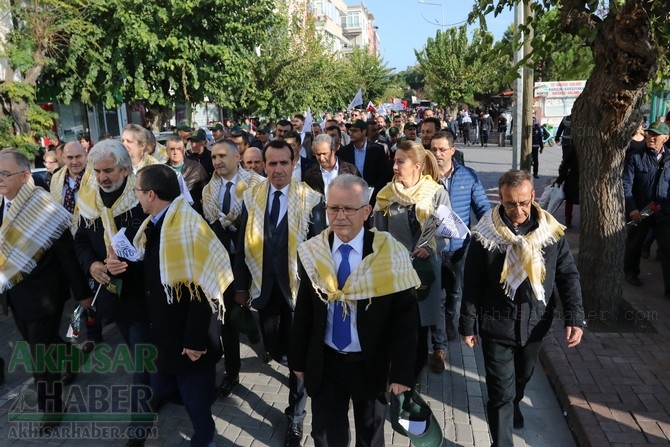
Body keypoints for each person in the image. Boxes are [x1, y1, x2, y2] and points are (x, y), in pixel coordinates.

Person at [290, 174, 419, 447]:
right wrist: (298, 361)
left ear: (366, 212)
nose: (339, 216)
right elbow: (304, 310)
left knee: (370, 440)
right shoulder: (314, 252)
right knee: (324, 438)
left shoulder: (389, 254)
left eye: (348, 209)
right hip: (326, 364)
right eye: (333, 208)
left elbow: (405, 321)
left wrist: (402, 375)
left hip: (371, 365)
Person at [460, 169, 584, 447]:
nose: (517, 210)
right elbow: (472, 283)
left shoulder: (550, 232)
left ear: (533, 196)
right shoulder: (485, 234)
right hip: (496, 323)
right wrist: (467, 324)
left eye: (523, 202)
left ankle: (515, 400)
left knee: (521, 377)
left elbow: (567, 274)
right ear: (500, 201)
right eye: (510, 203)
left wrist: (574, 317)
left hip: (535, 323)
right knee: (500, 391)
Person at [233, 139, 326, 447]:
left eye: (283, 163)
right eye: (270, 164)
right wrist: (242, 287)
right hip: (265, 290)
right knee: (275, 348)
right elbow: (243, 247)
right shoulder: (252, 198)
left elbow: (321, 251)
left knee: (297, 357)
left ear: (293, 163)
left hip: (299, 293)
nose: (277, 169)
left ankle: (296, 417)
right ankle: (292, 365)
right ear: (263, 166)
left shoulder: (310, 200)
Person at [133, 164, 233, 447]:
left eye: (138, 191)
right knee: (164, 387)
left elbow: (203, 289)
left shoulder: (187, 225)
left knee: (195, 401)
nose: (136, 197)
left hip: (189, 337)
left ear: (151, 194)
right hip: (165, 331)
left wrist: (194, 340)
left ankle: (205, 439)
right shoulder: (157, 223)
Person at [0, 148, 91, 432]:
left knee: (40, 357)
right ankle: (72, 357)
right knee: (44, 342)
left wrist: (82, 293)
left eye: (5, 174)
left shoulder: (45, 208)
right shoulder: (3, 205)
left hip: (45, 298)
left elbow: (67, 255)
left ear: (25, 175)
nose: (0, 179)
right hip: (14, 295)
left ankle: (51, 408)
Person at [73, 140, 152, 446]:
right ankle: (160, 389)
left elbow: (157, 246)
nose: (103, 177)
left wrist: (130, 263)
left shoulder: (141, 197)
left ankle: (139, 427)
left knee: (141, 362)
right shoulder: (89, 197)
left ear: (125, 169)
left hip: (141, 295)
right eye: (98, 171)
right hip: (111, 297)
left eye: (109, 170)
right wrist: (92, 265)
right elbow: (80, 240)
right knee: (139, 357)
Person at [372, 140, 451, 376]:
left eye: (400, 162)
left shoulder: (436, 193)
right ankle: (401, 375)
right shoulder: (386, 195)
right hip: (395, 272)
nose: (394, 167)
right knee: (399, 327)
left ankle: (420, 369)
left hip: (426, 270)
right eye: (394, 161)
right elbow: (376, 233)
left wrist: (430, 247)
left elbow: (447, 231)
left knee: (422, 324)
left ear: (417, 165)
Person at [201, 139, 264, 397]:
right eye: (214, 157)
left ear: (237, 157)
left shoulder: (257, 185)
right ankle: (232, 371)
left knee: (262, 310)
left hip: (254, 259)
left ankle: (264, 339)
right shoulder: (208, 191)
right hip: (224, 263)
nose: (217, 161)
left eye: (222, 156)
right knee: (226, 318)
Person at [429, 132, 490, 341]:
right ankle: (438, 339)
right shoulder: (424, 178)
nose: (437, 153)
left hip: (460, 246)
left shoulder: (468, 175)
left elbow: (482, 207)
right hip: (433, 246)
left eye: (442, 149)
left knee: (455, 290)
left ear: (452, 151)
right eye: (433, 149)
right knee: (436, 292)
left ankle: (449, 318)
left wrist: (491, 230)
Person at [623, 121, 670, 290]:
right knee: (635, 243)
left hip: (663, 212)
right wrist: (632, 208)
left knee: (667, 247)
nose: (651, 137)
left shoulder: (669, 158)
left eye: (656, 135)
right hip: (640, 210)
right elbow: (626, 185)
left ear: (665, 138)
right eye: (649, 133)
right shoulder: (635, 156)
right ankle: (630, 272)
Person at [338, 120, 391, 205]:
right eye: (350, 131)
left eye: (355, 131)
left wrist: (373, 190)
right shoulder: (344, 152)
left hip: (373, 198)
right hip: (351, 197)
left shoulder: (377, 149)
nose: (351, 133)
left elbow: (383, 175)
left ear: (364, 131)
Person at [165, 135, 209, 214]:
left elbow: (206, 193)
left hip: (193, 214)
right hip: (170, 214)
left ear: (184, 150)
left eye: (179, 149)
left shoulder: (196, 167)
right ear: (167, 151)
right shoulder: (162, 170)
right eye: (172, 149)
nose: (175, 152)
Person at [50, 141, 90, 215]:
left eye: (78, 156)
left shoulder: (95, 177)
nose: (74, 162)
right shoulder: (55, 179)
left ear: (86, 156)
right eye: (70, 157)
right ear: (63, 158)